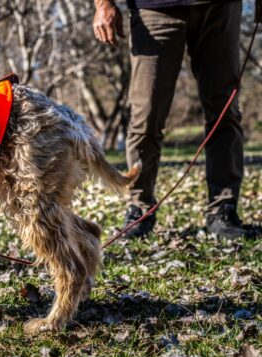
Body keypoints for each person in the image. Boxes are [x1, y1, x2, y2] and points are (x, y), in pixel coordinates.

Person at [92, 0, 260, 240]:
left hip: (220, 7)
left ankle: (223, 210)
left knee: (225, 112)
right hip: (153, 8)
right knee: (145, 115)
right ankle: (140, 208)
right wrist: (103, 3)